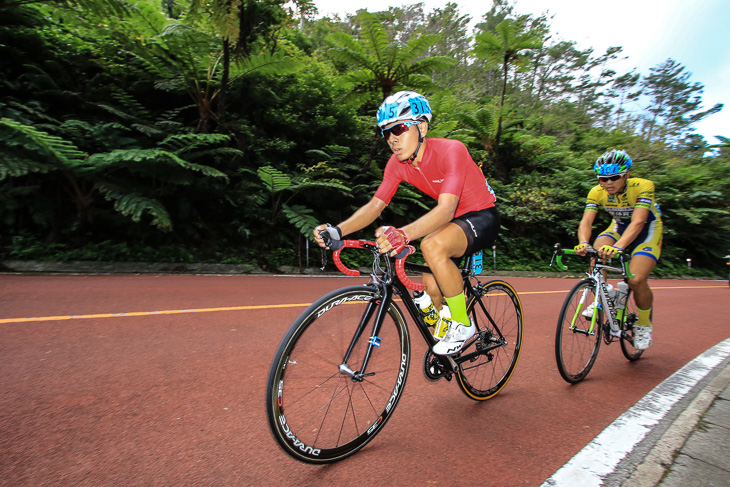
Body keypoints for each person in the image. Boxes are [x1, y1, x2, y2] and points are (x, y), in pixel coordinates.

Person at [313, 91, 500, 356]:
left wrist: (402, 234)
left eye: (399, 128)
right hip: (455, 220)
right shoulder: (397, 164)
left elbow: (446, 208)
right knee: (431, 285)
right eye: (386, 132)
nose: (392, 138)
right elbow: (375, 206)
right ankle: (444, 325)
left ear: (421, 126)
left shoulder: (452, 150)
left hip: (483, 215)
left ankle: (462, 323)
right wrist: (338, 229)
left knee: (432, 245)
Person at [574, 149, 663, 350]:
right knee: (595, 252)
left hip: (647, 230)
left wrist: (617, 247)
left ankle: (644, 324)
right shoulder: (596, 191)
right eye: (603, 179)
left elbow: (639, 221)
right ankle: (604, 292)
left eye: (614, 177)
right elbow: (586, 222)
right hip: (618, 227)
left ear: (626, 175)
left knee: (636, 279)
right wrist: (583, 243)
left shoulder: (643, 186)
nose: (608, 183)